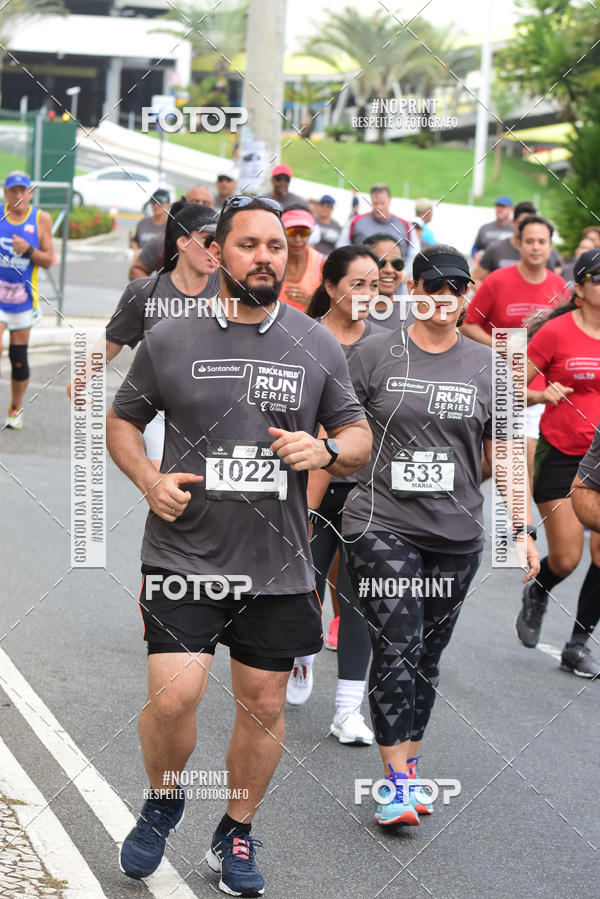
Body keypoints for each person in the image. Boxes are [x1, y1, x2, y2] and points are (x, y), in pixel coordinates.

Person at [107, 196, 372, 895]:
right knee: (174, 696)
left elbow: (359, 437)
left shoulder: (316, 344)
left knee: (265, 702)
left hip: (278, 562)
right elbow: (123, 422)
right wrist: (147, 478)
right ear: (216, 252)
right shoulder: (171, 338)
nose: (265, 256)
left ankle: (237, 830)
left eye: (277, 246)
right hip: (183, 552)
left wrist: (326, 447)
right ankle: (165, 798)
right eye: (249, 244)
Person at [341, 244, 539, 826]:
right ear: (413, 290)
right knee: (398, 640)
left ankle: (410, 767)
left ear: (466, 295)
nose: (443, 297)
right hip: (380, 522)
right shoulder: (375, 353)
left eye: (456, 288)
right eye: (432, 285)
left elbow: (502, 453)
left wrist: (521, 527)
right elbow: (340, 428)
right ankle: (394, 782)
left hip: (455, 533)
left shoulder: (489, 368)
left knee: (427, 654)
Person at [285, 245, 383, 747]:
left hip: (368, 492)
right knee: (306, 588)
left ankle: (347, 710)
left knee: (359, 598)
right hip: (307, 487)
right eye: (357, 284)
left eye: (375, 284)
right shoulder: (300, 339)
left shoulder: (389, 344)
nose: (367, 294)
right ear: (330, 287)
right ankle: (302, 656)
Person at [68, 203, 220, 464]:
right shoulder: (144, 293)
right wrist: (80, 380)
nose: (215, 250)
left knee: (206, 496)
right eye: (208, 241)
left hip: (216, 413)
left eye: (220, 242)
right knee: (165, 486)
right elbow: (111, 342)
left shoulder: (229, 289)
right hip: (160, 410)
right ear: (183, 242)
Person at [516, 248, 600, 678]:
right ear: (581, 288)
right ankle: (541, 590)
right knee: (566, 558)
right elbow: (509, 384)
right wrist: (540, 395)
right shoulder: (556, 332)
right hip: (563, 455)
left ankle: (578, 643)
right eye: (599, 277)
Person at [462, 215, 570, 490]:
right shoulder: (497, 281)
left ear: (550, 247)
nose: (536, 247)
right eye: (530, 241)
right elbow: (468, 326)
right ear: (518, 245)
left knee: (527, 456)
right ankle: (461, 487)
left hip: (537, 387)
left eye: (542, 242)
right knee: (494, 460)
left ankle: (520, 529)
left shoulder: (560, 287)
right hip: (495, 382)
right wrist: (502, 344)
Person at [0, 171, 54, 430]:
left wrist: (29, 250)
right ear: (5, 192)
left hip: (23, 300)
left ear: (30, 192)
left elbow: (49, 261)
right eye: (13, 191)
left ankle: (15, 408)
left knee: (18, 359)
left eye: (23, 190)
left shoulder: (40, 219)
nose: (18, 196)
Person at [128, 185, 215, 280]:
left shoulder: (223, 242)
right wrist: (155, 291)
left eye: (205, 203)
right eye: (195, 202)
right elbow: (136, 270)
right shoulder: (162, 240)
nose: (200, 205)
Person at [472, 201, 562, 284]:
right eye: (521, 224)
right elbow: (475, 278)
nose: (524, 229)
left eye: (528, 225)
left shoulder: (543, 252)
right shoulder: (495, 249)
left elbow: (555, 279)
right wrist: (492, 297)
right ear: (513, 223)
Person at [336, 184, 416, 271]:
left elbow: (414, 254)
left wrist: (405, 274)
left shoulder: (405, 225)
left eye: (382, 203)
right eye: (375, 203)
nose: (379, 207)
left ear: (389, 201)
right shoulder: (355, 222)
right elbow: (341, 249)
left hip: (395, 279)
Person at [279, 206, 324, 311]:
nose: (298, 239)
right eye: (292, 232)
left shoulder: (320, 262)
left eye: (304, 233)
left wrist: (311, 301)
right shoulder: (270, 260)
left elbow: (331, 306)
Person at [362, 232, 407, 330]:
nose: (389, 270)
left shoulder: (416, 316)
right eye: (380, 263)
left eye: (397, 263)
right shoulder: (348, 314)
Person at [471, 196, 514, 261]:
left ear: (511, 209)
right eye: (498, 206)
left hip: (507, 266)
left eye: (503, 206)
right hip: (487, 267)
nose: (499, 209)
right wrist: (475, 255)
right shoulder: (485, 228)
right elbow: (475, 248)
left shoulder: (515, 229)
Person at [131, 189, 170, 257]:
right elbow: (135, 240)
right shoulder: (142, 223)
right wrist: (136, 252)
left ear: (168, 204)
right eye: (153, 201)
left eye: (160, 202)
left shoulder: (172, 226)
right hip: (142, 265)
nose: (156, 205)